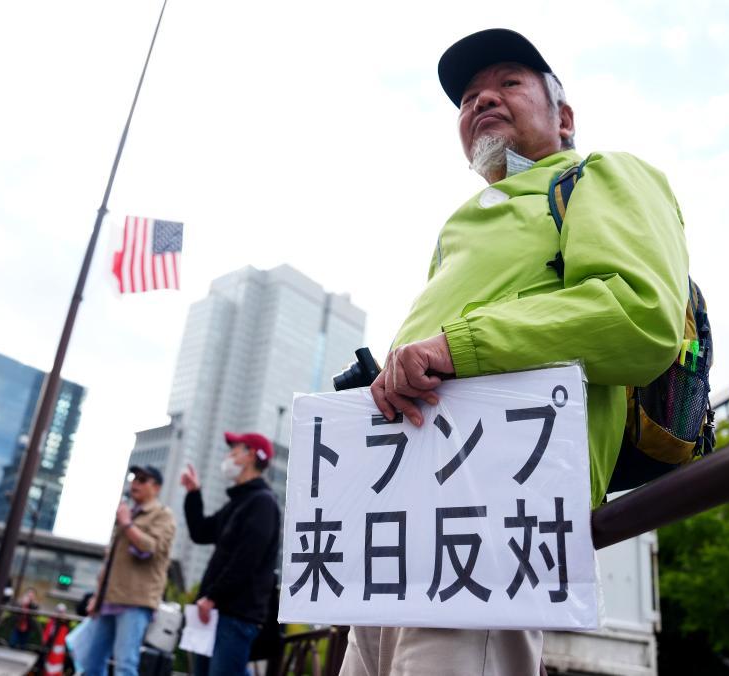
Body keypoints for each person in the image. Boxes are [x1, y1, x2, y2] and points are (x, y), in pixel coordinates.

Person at [343, 28, 690, 676]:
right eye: (468, 97)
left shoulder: (600, 174)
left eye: (508, 82)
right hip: (392, 518)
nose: (481, 100)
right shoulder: (456, 227)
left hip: (494, 507)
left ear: (564, 118)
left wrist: (455, 346)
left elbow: (640, 316)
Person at [180, 432, 281, 676]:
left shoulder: (262, 502)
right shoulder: (238, 502)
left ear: (250, 456)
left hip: (236, 615)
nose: (228, 457)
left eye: (234, 452)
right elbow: (200, 532)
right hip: (215, 612)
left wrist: (212, 596)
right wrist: (193, 493)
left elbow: (247, 559)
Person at [82, 465, 176, 676]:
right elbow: (110, 561)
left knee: (125, 665)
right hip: (110, 599)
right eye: (134, 478)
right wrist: (97, 597)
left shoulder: (162, 515)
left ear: (156, 487)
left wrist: (126, 524)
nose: (135, 483)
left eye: (142, 479)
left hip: (136, 601)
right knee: (91, 663)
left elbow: (150, 547)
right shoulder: (129, 514)